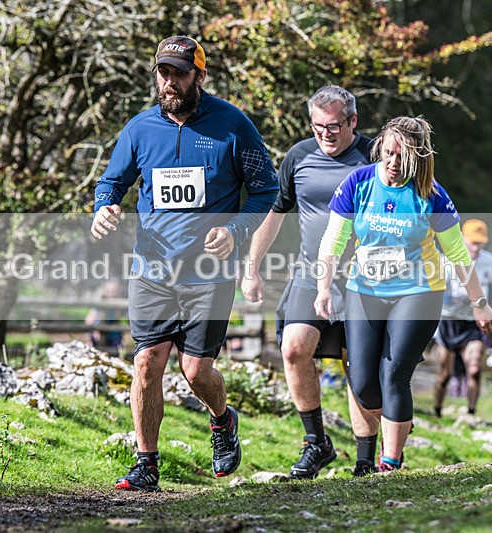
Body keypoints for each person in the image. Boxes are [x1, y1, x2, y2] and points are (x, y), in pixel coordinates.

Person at [91, 35, 278, 491]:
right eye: (162, 72)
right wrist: (104, 207)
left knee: (195, 371)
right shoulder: (139, 129)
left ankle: (222, 418)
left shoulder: (232, 125)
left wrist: (234, 232)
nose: (169, 81)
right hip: (153, 270)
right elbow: (111, 182)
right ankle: (146, 464)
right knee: (147, 363)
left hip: (208, 275)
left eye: (178, 72)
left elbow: (268, 190)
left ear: (199, 75)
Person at [314, 116, 492, 473]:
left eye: (403, 158)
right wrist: (324, 288)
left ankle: (390, 462)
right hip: (364, 290)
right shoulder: (358, 182)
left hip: (419, 291)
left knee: (394, 375)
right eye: (389, 154)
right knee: (363, 381)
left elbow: (458, 254)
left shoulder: (431, 194)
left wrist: (479, 303)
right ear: (380, 147)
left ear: (417, 159)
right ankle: (399, 421)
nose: (394, 164)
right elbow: (333, 241)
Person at [241, 85, 379, 478]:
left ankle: (366, 461)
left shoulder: (373, 157)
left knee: (359, 365)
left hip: (364, 279)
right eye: (318, 126)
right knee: (293, 348)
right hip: (311, 272)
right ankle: (316, 443)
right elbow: (275, 211)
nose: (326, 135)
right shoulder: (299, 156)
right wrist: (252, 267)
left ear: (353, 121)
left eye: (334, 126)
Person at [432, 219, 492, 417]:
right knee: (445, 374)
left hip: (472, 321)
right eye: (473, 242)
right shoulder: (446, 261)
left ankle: (471, 414)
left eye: (480, 243)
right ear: (463, 239)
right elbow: (435, 290)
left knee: (475, 368)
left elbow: (490, 286)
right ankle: (437, 410)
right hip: (448, 320)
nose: (476, 247)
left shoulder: (490, 260)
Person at [85, 279, 124, 350]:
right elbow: (89, 320)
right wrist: (94, 332)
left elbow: (117, 320)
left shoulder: (118, 304)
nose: (112, 293)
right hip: (100, 334)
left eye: (114, 290)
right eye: (109, 291)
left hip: (113, 335)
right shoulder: (100, 303)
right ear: (105, 292)